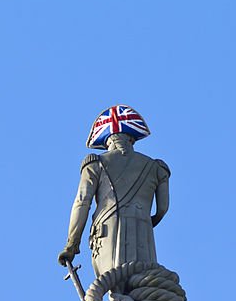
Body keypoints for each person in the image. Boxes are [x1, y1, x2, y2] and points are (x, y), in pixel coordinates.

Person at [58, 105, 170, 277]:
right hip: (143, 235)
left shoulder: (95, 164)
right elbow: (162, 208)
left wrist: (72, 245)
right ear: (132, 139)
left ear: (107, 141)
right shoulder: (156, 167)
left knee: (114, 291)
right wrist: (149, 220)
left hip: (107, 234)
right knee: (143, 292)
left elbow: (82, 203)